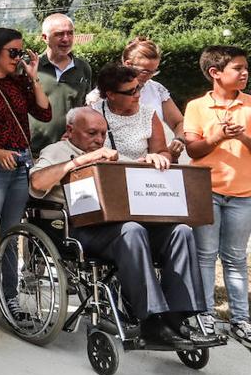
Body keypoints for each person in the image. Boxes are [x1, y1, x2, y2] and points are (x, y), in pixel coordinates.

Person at [29, 107, 217, 349]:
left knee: (180, 232)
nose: (98, 140)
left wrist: (152, 161)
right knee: (132, 230)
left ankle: (177, 318)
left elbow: (137, 172)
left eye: (102, 134)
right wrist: (78, 161)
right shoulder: (57, 151)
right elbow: (35, 182)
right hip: (80, 230)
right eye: (92, 133)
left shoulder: (108, 154)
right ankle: (150, 320)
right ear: (70, 130)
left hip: (120, 227)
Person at [0, 28, 51, 327]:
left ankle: (11, 297)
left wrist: (34, 76)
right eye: (13, 52)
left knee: (12, 235)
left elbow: (44, 114)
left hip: (20, 163)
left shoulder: (19, 83)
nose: (18, 58)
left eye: (20, 52)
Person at [183, 46, 251, 347]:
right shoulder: (196, 107)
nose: (245, 73)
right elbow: (193, 150)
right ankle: (205, 315)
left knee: (236, 258)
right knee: (205, 256)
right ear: (215, 73)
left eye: (245, 68)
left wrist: (241, 136)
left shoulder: (250, 106)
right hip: (207, 191)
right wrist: (218, 136)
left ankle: (241, 319)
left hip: (244, 194)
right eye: (238, 68)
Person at [29, 13, 93, 157]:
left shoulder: (83, 68)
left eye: (70, 33)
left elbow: (82, 108)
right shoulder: (31, 67)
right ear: (45, 38)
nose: (66, 39)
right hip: (33, 152)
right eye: (59, 34)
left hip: (70, 150)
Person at [89, 63, 173, 169]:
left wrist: (158, 158)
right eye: (131, 92)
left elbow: (162, 152)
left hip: (138, 177)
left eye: (137, 88)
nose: (138, 95)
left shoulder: (148, 114)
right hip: (103, 177)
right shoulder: (92, 114)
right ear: (111, 95)